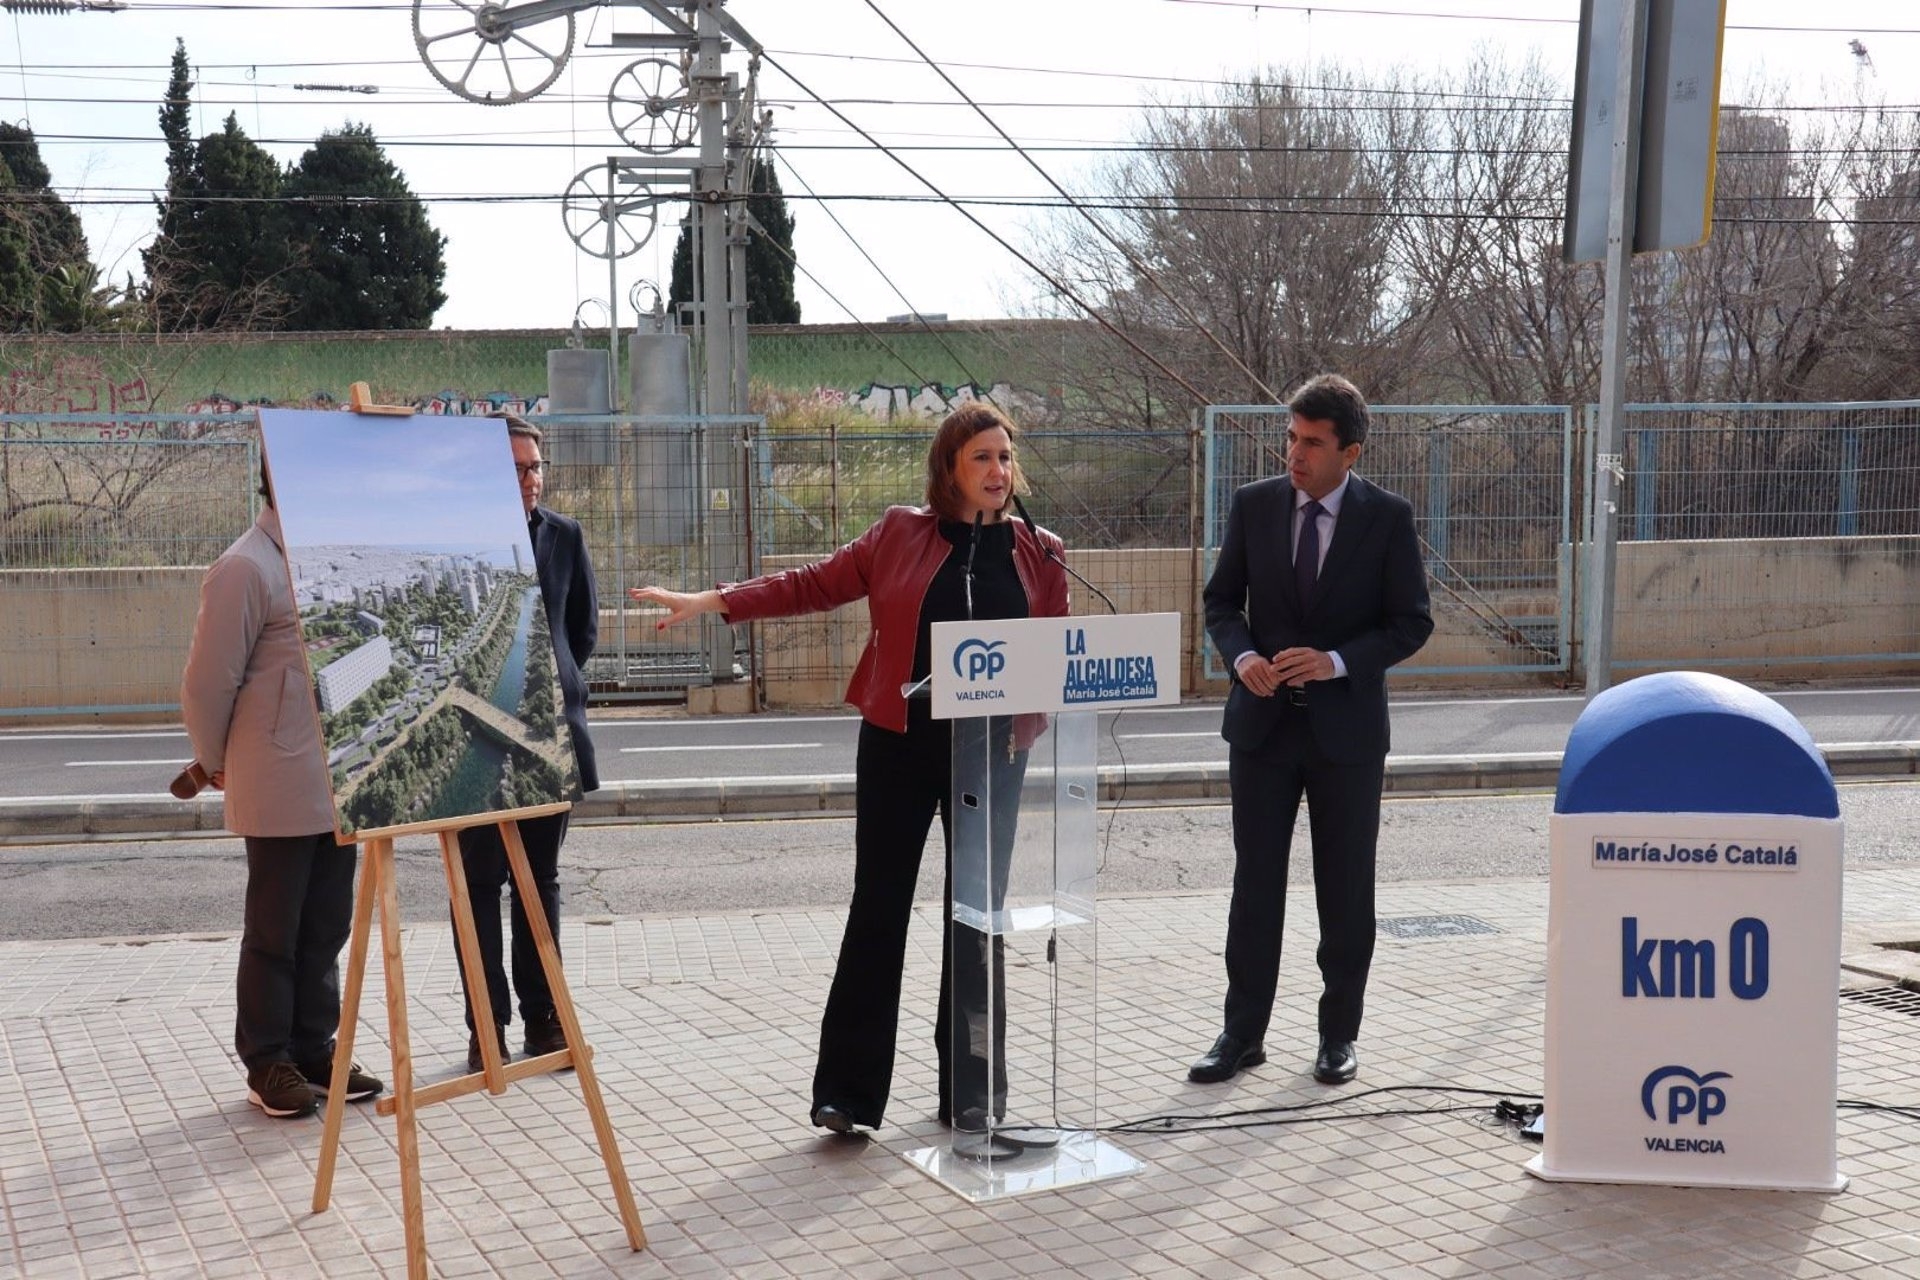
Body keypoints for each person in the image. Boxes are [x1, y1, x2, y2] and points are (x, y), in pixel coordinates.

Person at [628, 402, 1070, 1135]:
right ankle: (848, 1095)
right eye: (982, 458)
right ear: (950, 470)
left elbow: (1058, 654)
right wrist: (713, 601)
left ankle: (972, 1090)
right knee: (878, 912)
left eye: (1005, 457)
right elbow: (813, 582)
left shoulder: (1041, 552)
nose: (998, 471)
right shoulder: (901, 534)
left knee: (976, 917)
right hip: (899, 742)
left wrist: (1036, 716)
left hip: (991, 751)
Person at [1192, 373, 1433, 1088]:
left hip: (1347, 737)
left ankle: (1337, 1036)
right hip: (1262, 731)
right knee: (1255, 888)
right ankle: (1241, 1034)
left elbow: (1411, 621)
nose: (1295, 455)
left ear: (1349, 452)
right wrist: (1242, 659)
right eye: (1291, 438)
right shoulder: (1254, 505)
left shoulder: (1387, 518)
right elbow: (1220, 602)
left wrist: (1333, 662)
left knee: (1346, 891)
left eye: (1312, 443)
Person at [182, 465, 385, 1118]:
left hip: (339, 774)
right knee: (276, 927)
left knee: (326, 921)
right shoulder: (244, 567)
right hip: (275, 776)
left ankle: (313, 1046)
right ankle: (268, 1060)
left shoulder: (324, 561)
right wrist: (217, 762)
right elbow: (208, 684)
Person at [455, 414, 600, 1072]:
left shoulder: (564, 536)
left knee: (539, 881)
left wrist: (555, 684)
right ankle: (485, 1025)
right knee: (478, 886)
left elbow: (582, 630)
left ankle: (545, 1020)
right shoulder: (457, 541)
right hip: (476, 738)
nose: (530, 479)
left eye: (536, 466)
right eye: (516, 468)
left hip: (550, 733)